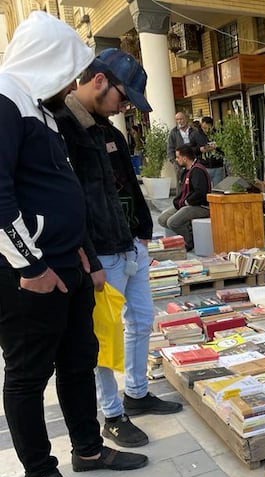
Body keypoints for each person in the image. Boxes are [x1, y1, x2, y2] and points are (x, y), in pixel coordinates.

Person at [0, 12, 148, 477]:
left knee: (78, 361)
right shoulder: (5, 100)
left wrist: (82, 253)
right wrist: (30, 268)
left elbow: (59, 191)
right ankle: (39, 473)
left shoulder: (37, 108)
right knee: (27, 375)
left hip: (68, 263)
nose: (70, 83)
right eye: (68, 71)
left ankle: (87, 448)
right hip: (29, 275)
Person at [54, 48, 184, 449]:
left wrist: (143, 232)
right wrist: (88, 257)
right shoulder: (62, 127)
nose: (121, 107)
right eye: (122, 98)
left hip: (130, 246)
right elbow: (68, 201)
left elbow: (128, 183)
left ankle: (137, 392)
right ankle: (112, 414)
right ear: (99, 81)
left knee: (142, 321)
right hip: (99, 256)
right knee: (103, 338)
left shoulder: (109, 132)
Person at [158, 144, 212, 251]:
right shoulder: (185, 171)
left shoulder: (197, 170)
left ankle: (189, 241)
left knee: (172, 222)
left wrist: (186, 202)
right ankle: (188, 229)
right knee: (162, 219)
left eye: (178, 157)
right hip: (187, 204)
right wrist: (178, 202)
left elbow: (200, 193)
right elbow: (182, 192)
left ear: (184, 158)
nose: (176, 160)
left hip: (201, 206)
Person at [167, 112, 205, 177]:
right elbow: (170, 149)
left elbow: (201, 144)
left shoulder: (194, 130)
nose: (179, 121)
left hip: (194, 161)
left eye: (181, 119)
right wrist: (174, 162)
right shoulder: (174, 132)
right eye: (177, 119)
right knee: (182, 182)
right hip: (180, 163)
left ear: (186, 119)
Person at [199, 116, 226, 185]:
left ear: (212, 126)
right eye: (203, 128)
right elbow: (193, 149)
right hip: (204, 166)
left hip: (217, 166)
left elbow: (224, 149)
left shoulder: (218, 134)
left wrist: (217, 147)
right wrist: (200, 149)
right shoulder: (197, 135)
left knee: (218, 189)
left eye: (207, 128)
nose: (206, 130)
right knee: (204, 190)